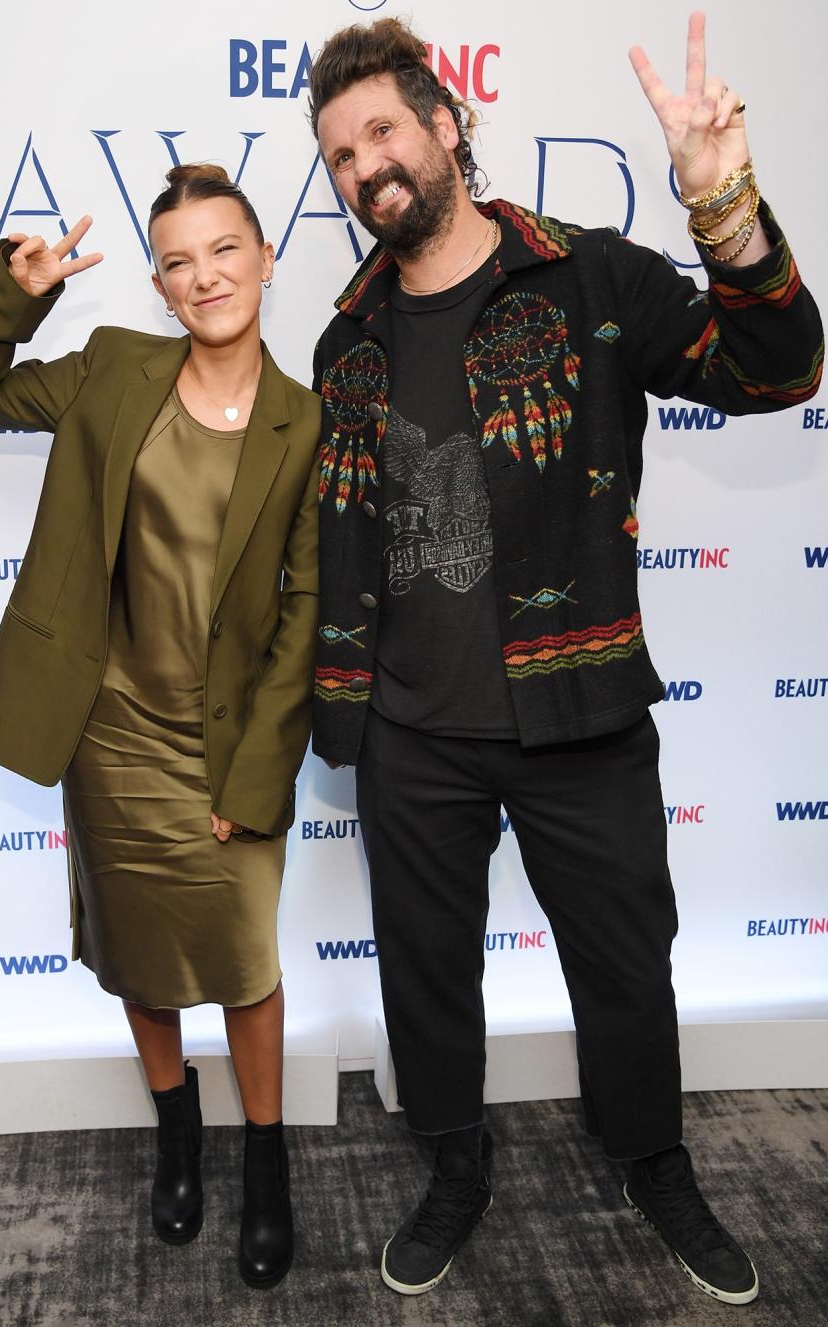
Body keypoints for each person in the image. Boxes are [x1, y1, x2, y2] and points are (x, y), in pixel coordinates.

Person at [307, 12, 822, 1305]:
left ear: (446, 125)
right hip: (411, 732)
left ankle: (655, 1159)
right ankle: (454, 1162)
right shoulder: (344, 343)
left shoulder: (591, 280)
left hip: (580, 707)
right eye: (337, 154)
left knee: (624, 959)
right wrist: (341, 708)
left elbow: (777, 365)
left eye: (382, 130)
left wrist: (728, 211)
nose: (365, 165)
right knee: (424, 971)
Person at [0, 164, 321, 1289]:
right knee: (141, 961)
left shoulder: (309, 421)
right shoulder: (112, 370)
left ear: (264, 256)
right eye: (180, 261)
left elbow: (304, 611)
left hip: (227, 743)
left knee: (247, 966)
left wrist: (255, 778)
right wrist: (22, 292)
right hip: (108, 739)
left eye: (225, 249)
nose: (206, 276)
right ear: (159, 284)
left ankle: (265, 1162)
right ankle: (178, 1137)